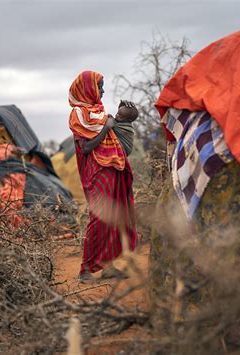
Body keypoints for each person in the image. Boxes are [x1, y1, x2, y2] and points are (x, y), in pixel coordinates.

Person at [68, 70, 138, 282]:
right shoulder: (79, 114)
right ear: (88, 88)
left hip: (113, 169)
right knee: (99, 218)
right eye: (100, 86)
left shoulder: (99, 112)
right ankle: (85, 269)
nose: (103, 90)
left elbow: (119, 137)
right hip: (96, 171)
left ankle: (109, 266)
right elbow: (87, 147)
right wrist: (105, 128)